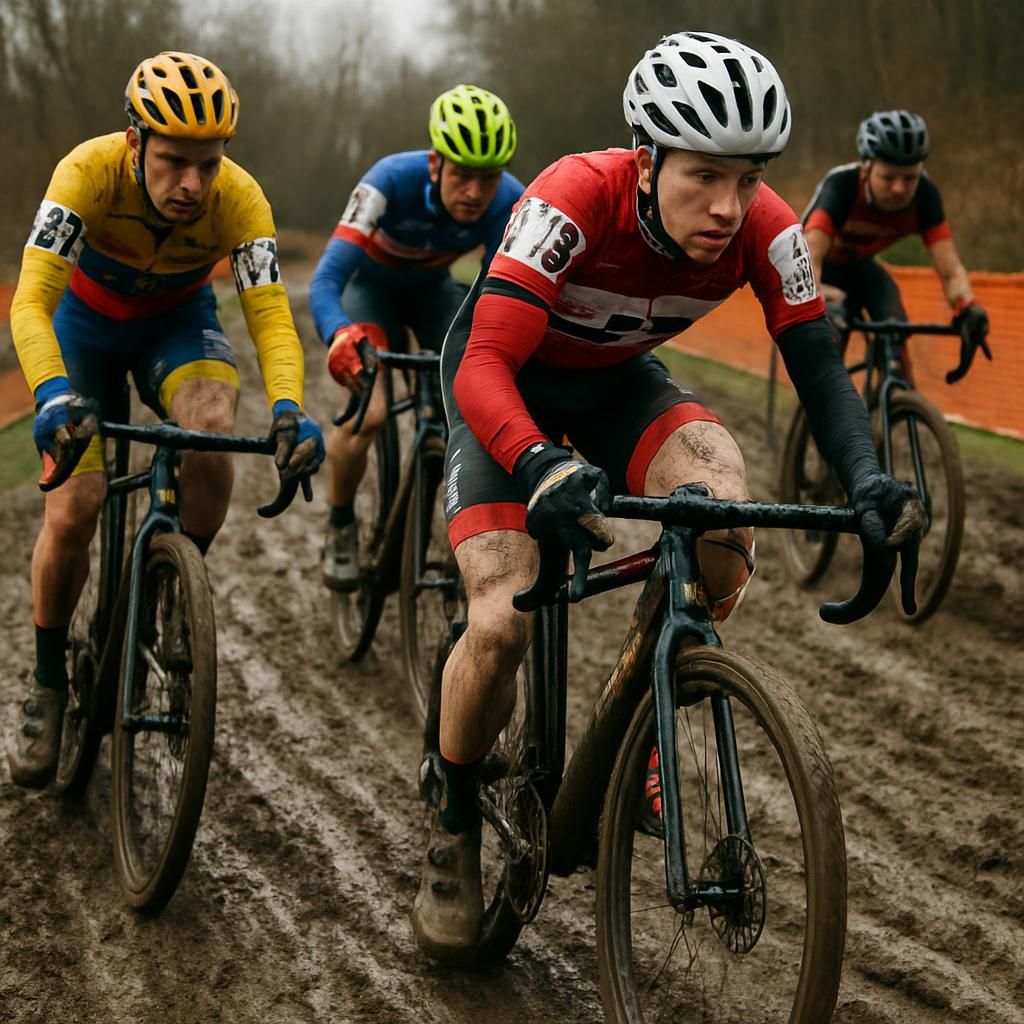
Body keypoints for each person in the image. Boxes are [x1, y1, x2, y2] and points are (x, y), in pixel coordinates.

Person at [411, 31, 924, 963]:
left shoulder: (768, 227)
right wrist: (534, 462)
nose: (730, 207)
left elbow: (818, 366)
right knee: (499, 621)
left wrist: (868, 483)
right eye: (703, 177)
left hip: (615, 380)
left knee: (720, 508)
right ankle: (450, 821)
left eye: (749, 176)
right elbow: (486, 359)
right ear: (645, 160)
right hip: (505, 384)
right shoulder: (571, 199)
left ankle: (648, 712)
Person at [6, 51, 324, 789]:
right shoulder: (85, 174)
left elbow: (272, 319)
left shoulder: (241, 200)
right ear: (134, 141)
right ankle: (49, 680)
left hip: (176, 328)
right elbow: (31, 301)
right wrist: (52, 392)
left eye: (208, 165)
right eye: (176, 161)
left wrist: (289, 409)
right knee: (76, 506)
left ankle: (172, 588)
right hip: (84, 336)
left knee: (210, 435)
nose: (192, 184)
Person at [308, 84, 524, 591]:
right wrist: (340, 335)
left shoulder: (511, 201)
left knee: (475, 410)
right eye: (463, 176)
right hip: (371, 294)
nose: (474, 193)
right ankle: (341, 524)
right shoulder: (387, 181)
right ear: (435, 165)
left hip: (434, 296)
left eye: (487, 179)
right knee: (372, 414)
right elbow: (327, 280)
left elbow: (500, 292)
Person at [802, 109, 990, 376]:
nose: (900, 188)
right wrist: (817, 300)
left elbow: (951, 271)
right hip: (817, 268)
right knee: (830, 338)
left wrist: (967, 307)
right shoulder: (842, 186)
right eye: (889, 177)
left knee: (895, 330)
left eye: (909, 178)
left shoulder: (925, 196)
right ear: (866, 168)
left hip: (861, 269)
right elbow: (810, 255)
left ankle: (898, 396)